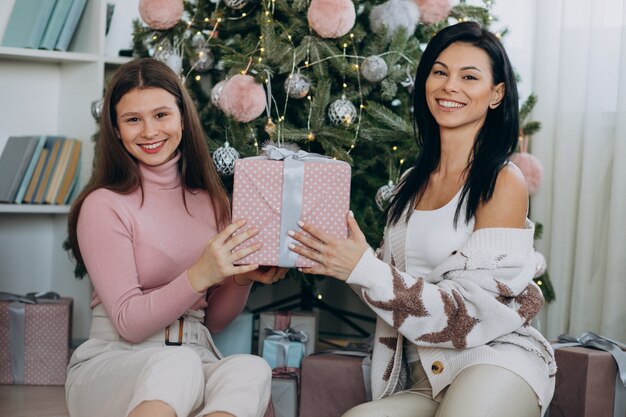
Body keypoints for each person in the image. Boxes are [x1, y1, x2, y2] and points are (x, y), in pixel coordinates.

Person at [288, 21, 556, 417]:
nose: (450, 86)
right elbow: (391, 290)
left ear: (496, 93)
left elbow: (470, 316)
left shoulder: (502, 181)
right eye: (440, 72)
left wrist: (363, 268)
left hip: (495, 360)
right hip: (425, 375)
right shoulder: (411, 184)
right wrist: (343, 263)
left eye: (469, 76)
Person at [65, 57, 286, 417]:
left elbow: (212, 321)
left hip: (195, 356)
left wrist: (241, 279)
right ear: (117, 130)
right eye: (133, 119)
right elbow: (128, 322)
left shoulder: (214, 202)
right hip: (116, 363)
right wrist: (202, 273)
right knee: (177, 363)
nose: (150, 131)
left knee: (251, 369)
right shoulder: (103, 205)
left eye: (161, 115)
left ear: (182, 117)